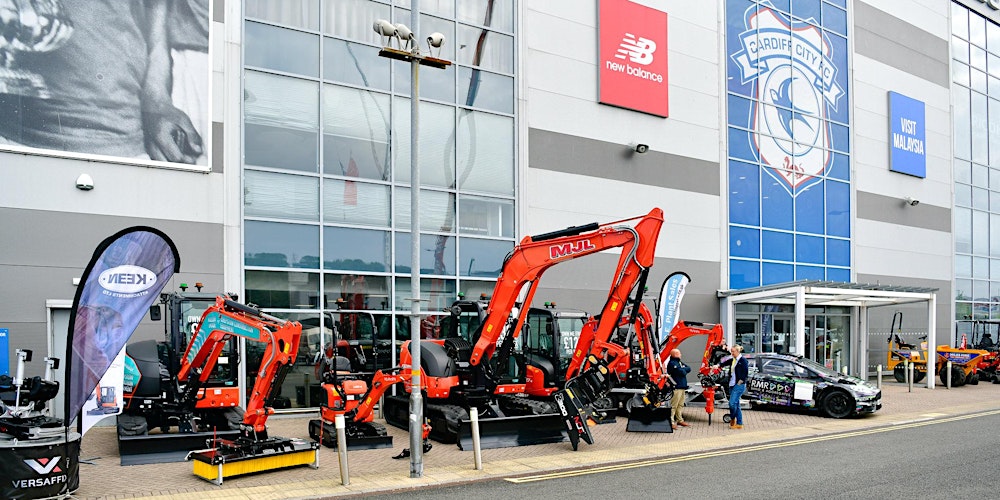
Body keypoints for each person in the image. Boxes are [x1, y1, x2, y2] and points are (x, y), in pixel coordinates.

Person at [722, 344, 749, 429]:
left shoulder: (743, 360)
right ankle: (739, 423)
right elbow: (724, 363)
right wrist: (718, 366)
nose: (732, 353)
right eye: (731, 351)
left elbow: (745, 373)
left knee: (732, 403)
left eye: (733, 351)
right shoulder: (733, 360)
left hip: (738, 385)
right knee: (736, 404)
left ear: (737, 351)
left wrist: (739, 382)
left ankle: (733, 418)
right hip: (732, 384)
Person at [665, 348, 691, 429]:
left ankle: (680, 420)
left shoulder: (678, 362)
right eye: (679, 353)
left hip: (682, 386)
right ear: (676, 354)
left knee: (680, 404)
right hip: (676, 387)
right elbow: (682, 372)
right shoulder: (673, 363)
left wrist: (683, 369)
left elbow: (689, 368)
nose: (681, 354)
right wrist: (683, 369)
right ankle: (671, 421)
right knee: (674, 405)